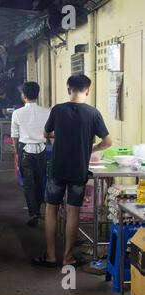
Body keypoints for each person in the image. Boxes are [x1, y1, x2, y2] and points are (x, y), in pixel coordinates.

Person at [34, 75, 112, 268]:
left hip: (58, 168)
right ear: (88, 90)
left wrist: (58, 135)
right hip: (78, 170)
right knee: (73, 211)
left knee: (51, 209)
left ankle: (51, 255)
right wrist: (91, 148)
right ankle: (68, 257)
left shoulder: (58, 110)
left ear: (68, 89)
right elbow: (108, 141)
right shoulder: (93, 113)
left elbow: (46, 134)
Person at [11, 82, 50, 228]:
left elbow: (15, 136)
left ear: (24, 95)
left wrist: (16, 152)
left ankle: (34, 213)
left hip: (25, 150)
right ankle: (38, 209)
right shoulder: (46, 112)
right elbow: (50, 133)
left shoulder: (17, 113)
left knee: (28, 183)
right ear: (37, 94)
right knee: (40, 180)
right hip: (42, 150)